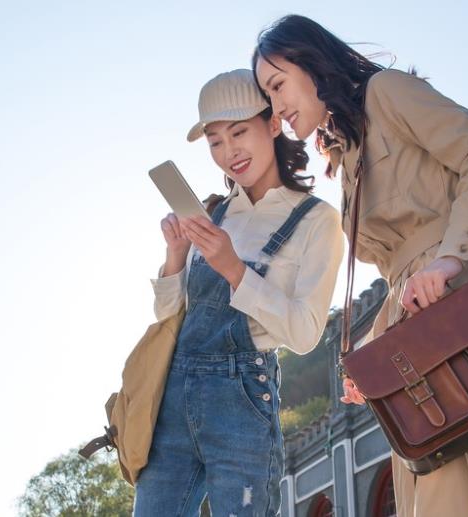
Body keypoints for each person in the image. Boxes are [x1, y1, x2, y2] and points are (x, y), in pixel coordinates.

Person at [252, 15, 468, 517]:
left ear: (311, 63)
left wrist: (450, 255)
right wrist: (372, 348)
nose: (276, 109)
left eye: (277, 85)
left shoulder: (387, 93)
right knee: (431, 498)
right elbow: (398, 271)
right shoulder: (344, 157)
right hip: (413, 320)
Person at [132, 68, 343, 516]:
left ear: (272, 124)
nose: (229, 152)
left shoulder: (317, 221)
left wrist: (234, 270)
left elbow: (305, 334)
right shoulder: (213, 213)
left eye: (239, 132)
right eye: (215, 141)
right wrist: (175, 256)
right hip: (173, 396)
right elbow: (170, 317)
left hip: (242, 400)